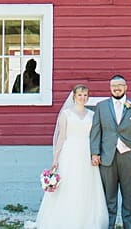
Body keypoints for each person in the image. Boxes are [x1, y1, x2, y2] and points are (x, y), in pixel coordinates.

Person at [35, 84, 107, 229]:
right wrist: (55, 158)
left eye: (85, 95)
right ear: (74, 96)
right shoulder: (66, 114)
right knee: (69, 184)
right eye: (80, 95)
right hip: (70, 152)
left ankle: (86, 220)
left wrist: (95, 153)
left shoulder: (92, 115)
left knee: (86, 184)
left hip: (86, 152)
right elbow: (61, 137)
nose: (83, 98)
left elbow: (95, 136)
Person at [89, 74, 131, 229]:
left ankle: (129, 226)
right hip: (107, 157)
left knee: (129, 198)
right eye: (113, 86)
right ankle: (109, 226)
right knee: (109, 198)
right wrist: (95, 153)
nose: (116, 88)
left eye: (120, 85)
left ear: (126, 87)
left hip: (130, 158)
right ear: (110, 88)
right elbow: (96, 131)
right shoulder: (101, 107)